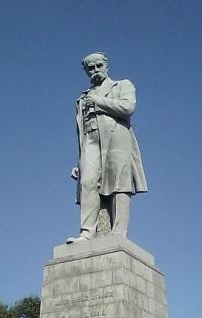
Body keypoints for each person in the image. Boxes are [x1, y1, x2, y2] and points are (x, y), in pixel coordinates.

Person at [66, 52, 147, 244]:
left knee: (120, 183)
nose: (95, 71)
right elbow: (82, 132)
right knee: (87, 182)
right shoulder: (82, 98)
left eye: (98, 66)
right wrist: (79, 160)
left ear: (106, 65)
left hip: (117, 137)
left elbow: (128, 108)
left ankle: (119, 232)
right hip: (91, 141)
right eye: (90, 68)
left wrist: (98, 103)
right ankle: (87, 233)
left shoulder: (122, 85)